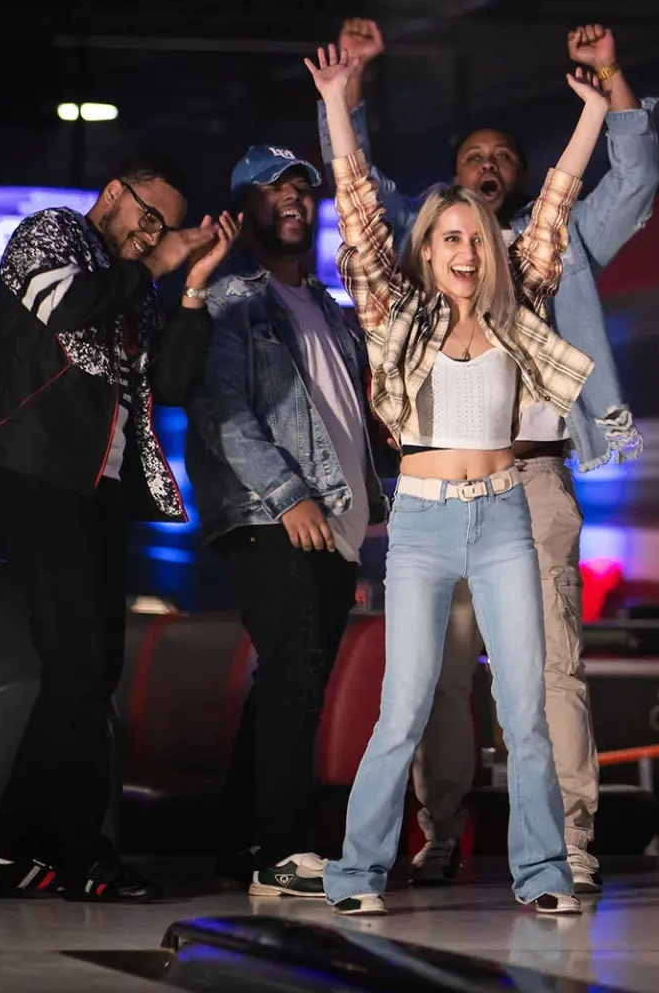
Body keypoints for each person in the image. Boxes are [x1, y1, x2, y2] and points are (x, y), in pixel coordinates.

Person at [320, 19, 659, 891]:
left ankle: (550, 863)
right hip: (426, 522)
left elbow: (558, 203)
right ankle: (370, 866)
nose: (468, 250)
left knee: (532, 700)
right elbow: (358, 202)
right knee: (408, 706)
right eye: (450, 237)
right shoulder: (398, 312)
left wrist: (592, 111)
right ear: (426, 247)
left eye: (478, 238)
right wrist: (335, 100)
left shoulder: (522, 296)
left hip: (515, 501)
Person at [0, 153, 239, 902]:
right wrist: (156, 262)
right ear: (112, 194)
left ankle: (12, 849)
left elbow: (176, 384)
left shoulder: (140, 283)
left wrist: (191, 286)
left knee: (89, 674)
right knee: (82, 666)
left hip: (101, 487)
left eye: (165, 225)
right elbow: (64, 306)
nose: (154, 233)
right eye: (147, 216)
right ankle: (75, 856)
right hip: (32, 469)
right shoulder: (50, 233)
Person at [185, 145, 388, 899]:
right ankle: (283, 852)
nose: (292, 200)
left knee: (286, 681)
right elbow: (222, 415)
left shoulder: (331, 311)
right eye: (272, 191)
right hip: (273, 516)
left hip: (331, 521)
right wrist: (287, 495)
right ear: (243, 213)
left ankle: (242, 843)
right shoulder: (234, 298)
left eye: (301, 188)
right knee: (297, 681)